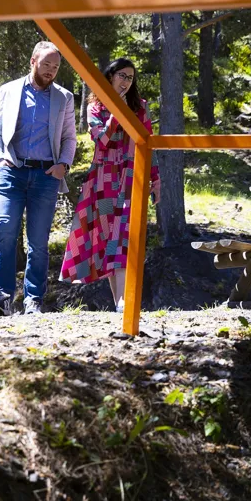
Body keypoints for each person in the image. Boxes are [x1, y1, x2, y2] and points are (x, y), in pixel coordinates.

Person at [60, 58, 159, 312]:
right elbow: (101, 139)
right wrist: (117, 112)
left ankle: (123, 302)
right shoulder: (95, 107)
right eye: (122, 76)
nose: (126, 82)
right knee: (108, 240)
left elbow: (149, 145)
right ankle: (120, 303)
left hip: (130, 176)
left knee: (124, 236)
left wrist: (155, 179)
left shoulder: (141, 108)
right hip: (103, 179)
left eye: (130, 78)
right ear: (111, 75)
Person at [0, 41, 77, 315]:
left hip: (46, 175)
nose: (51, 70)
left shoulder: (64, 97)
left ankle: (33, 300)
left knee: (38, 241)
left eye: (56, 66)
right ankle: (2, 298)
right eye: (46, 64)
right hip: (11, 172)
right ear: (33, 61)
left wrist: (63, 165)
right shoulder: (9, 90)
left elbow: (69, 138)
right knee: (5, 231)